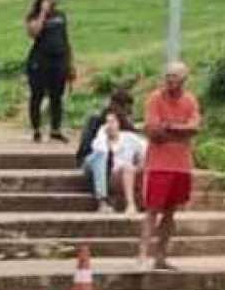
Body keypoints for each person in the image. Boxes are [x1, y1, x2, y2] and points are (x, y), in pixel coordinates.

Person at [140, 61, 203, 270]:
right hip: (159, 164)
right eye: (167, 76)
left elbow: (194, 128)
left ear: (184, 79)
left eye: (174, 76)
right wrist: (181, 131)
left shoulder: (190, 100)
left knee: (170, 212)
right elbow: (153, 131)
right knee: (152, 210)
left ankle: (161, 256)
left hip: (181, 165)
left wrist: (171, 128)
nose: (170, 80)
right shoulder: (155, 99)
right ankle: (142, 255)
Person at [23, 0, 74, 142]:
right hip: (40, 60)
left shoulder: (60, 16)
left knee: (56, 96)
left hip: (59, 60)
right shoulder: (34, 15)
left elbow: (66, 39)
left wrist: (70, 63)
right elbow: (33, 33)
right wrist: (43, 13)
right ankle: (37, 129)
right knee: (37, 95)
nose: (55, 1)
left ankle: (55, 129)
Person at [77, 90, 135, 212]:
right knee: (101, 155)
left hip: (119, 165)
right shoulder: (96, 121)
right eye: (126, 110)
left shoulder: (126, 127)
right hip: (94, 160)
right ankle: (102, 200)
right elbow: (86, 148)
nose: (127, 113)